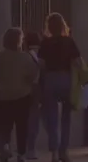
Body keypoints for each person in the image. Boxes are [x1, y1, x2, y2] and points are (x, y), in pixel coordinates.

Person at [38, 13, 81, 162]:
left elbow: (41, 66)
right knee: (66, 117)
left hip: (50, 79)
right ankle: (64, 151)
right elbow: (78, 62)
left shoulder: (45, 43)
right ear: (63, 26)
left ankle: (54, 152)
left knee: (52, 117)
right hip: (66, 79)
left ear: (49, 27)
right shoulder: (69, 41)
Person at [0, 27, 38, 162]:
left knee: (5, 125)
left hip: (3, 96)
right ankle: (21, 153)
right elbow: (32, 76)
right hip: (22, 96)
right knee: (22, 126)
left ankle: (5, 146)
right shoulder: (25, 57)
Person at [24, 32, 43, 160]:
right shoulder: (42, 53)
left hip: (27, 88)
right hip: (38, 89)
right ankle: (31, 148)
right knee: (34, 120)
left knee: (27, 120)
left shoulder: (25, 55)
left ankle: (27, 148)